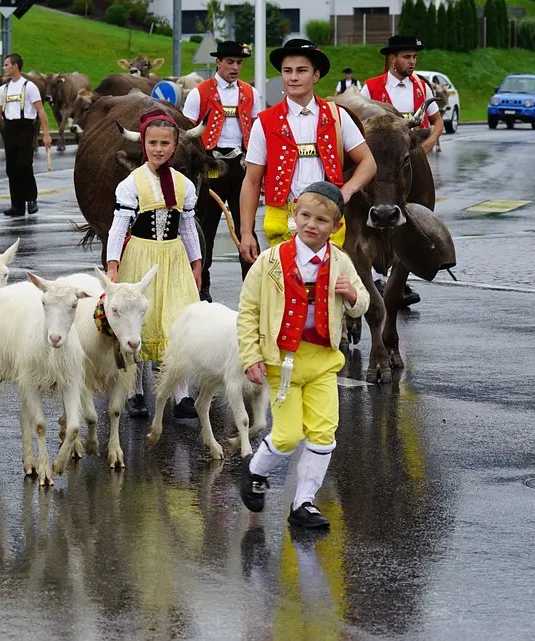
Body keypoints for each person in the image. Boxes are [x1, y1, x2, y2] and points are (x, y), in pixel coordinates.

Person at [236, 182, 369, 529]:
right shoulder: (270, 261)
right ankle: (255, 470)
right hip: (283, 362)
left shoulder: (341, 262)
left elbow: (362, 305)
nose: (312, 224)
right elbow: (248, 310)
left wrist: (353, 296)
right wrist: (251, 356)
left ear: (336, 227)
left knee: (324, 433)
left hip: (323, 362)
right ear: (294, 214)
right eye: (306, 215)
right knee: (287, 435)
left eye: (322, 220)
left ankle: (303, 504)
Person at [238, 39, 376, 267]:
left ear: (315, 75)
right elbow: (252, 181)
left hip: (327, 217)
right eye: (287, 71)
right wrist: (246, 232)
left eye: (301, 71)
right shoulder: (264, 122)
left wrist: (346, 192)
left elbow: (368, 163)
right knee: (284, 291)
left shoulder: (337, 116)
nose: (293, 77)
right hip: (282, 218)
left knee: (326, 289)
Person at [106, 109, 201, 420]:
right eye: (152, 143)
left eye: (164, 143)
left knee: (177, 322)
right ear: (143, 145)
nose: (158, 149)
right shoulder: (132, 183)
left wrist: (196, 262)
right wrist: (113, 265)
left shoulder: (184, 184)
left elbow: (187, 226)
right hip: (141, 257)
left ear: (174, 146)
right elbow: (119, 226)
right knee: (139, 324)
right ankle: (134, 390)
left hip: (173, 260)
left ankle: (181, 394)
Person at [362, 34, 440, 305]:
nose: (412, 62)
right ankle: (377, 278)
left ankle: (402, 277)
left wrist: (427, 144)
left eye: (414, 57)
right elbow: (360, 125)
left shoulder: (422, 87)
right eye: (406, 56)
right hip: (382, 164)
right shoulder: (370, 88)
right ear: (392, 59)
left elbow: (436, 121)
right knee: (376, 214)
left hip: (410, 159)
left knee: (421, 210)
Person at [181, 40, 261, 303]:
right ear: (218, 62)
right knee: (206, 228)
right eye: (230, 62)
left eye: (239, 63)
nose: (235, 67)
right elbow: (187, 134)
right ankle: (201, 286)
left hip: (240, 167)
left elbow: (258, 131)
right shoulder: (199, 93)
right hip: (210, 168)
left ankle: (252, 289)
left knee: (245, 228)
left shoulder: (251, 93)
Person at [0, 53, 51, 217]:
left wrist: (46, 134)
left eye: (6, 65)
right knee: (11, 168)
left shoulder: (29, 87)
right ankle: (17, 205)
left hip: (26, 128)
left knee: (24, 164)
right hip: (9, 129)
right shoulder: (3, 89)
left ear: (15, 66)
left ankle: (31, 199)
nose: (4, 68)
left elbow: (41, 111)